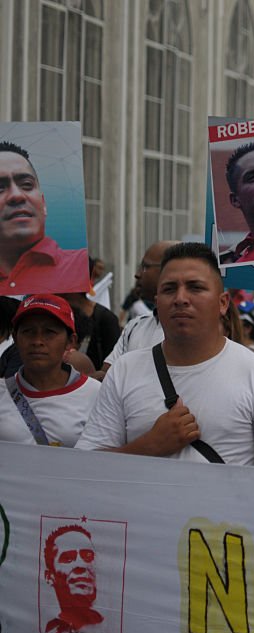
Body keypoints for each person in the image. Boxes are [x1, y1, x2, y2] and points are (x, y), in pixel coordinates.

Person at [78, 242, 254, 468]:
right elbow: (83, 467)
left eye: (195, 287)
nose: (180, 298)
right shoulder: (125, 370)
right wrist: (148, 446)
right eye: (169, 289)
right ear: (157, 302)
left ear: (223, 303)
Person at [7, 295, 100, 447]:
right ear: (15, 339)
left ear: (71, 341)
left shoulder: (96, 394)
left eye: (49, 332)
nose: (37, 341)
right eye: (28, 331)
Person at [0, 141, 89, 294]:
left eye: (26, 184)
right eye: (0, 188)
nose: (16, 195)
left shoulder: (80, 265)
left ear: (44, 204)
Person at [98, 240, 178, 378]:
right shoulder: (134, 326)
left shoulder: (189, 331)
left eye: (145, 267)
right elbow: (107, 376)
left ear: (169, 269)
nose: (137, 274)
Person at [43, 524, 103, 633]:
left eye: (88, 556)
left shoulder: (107, 629)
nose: (81, 565)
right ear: (50, 577)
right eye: (68, 558)